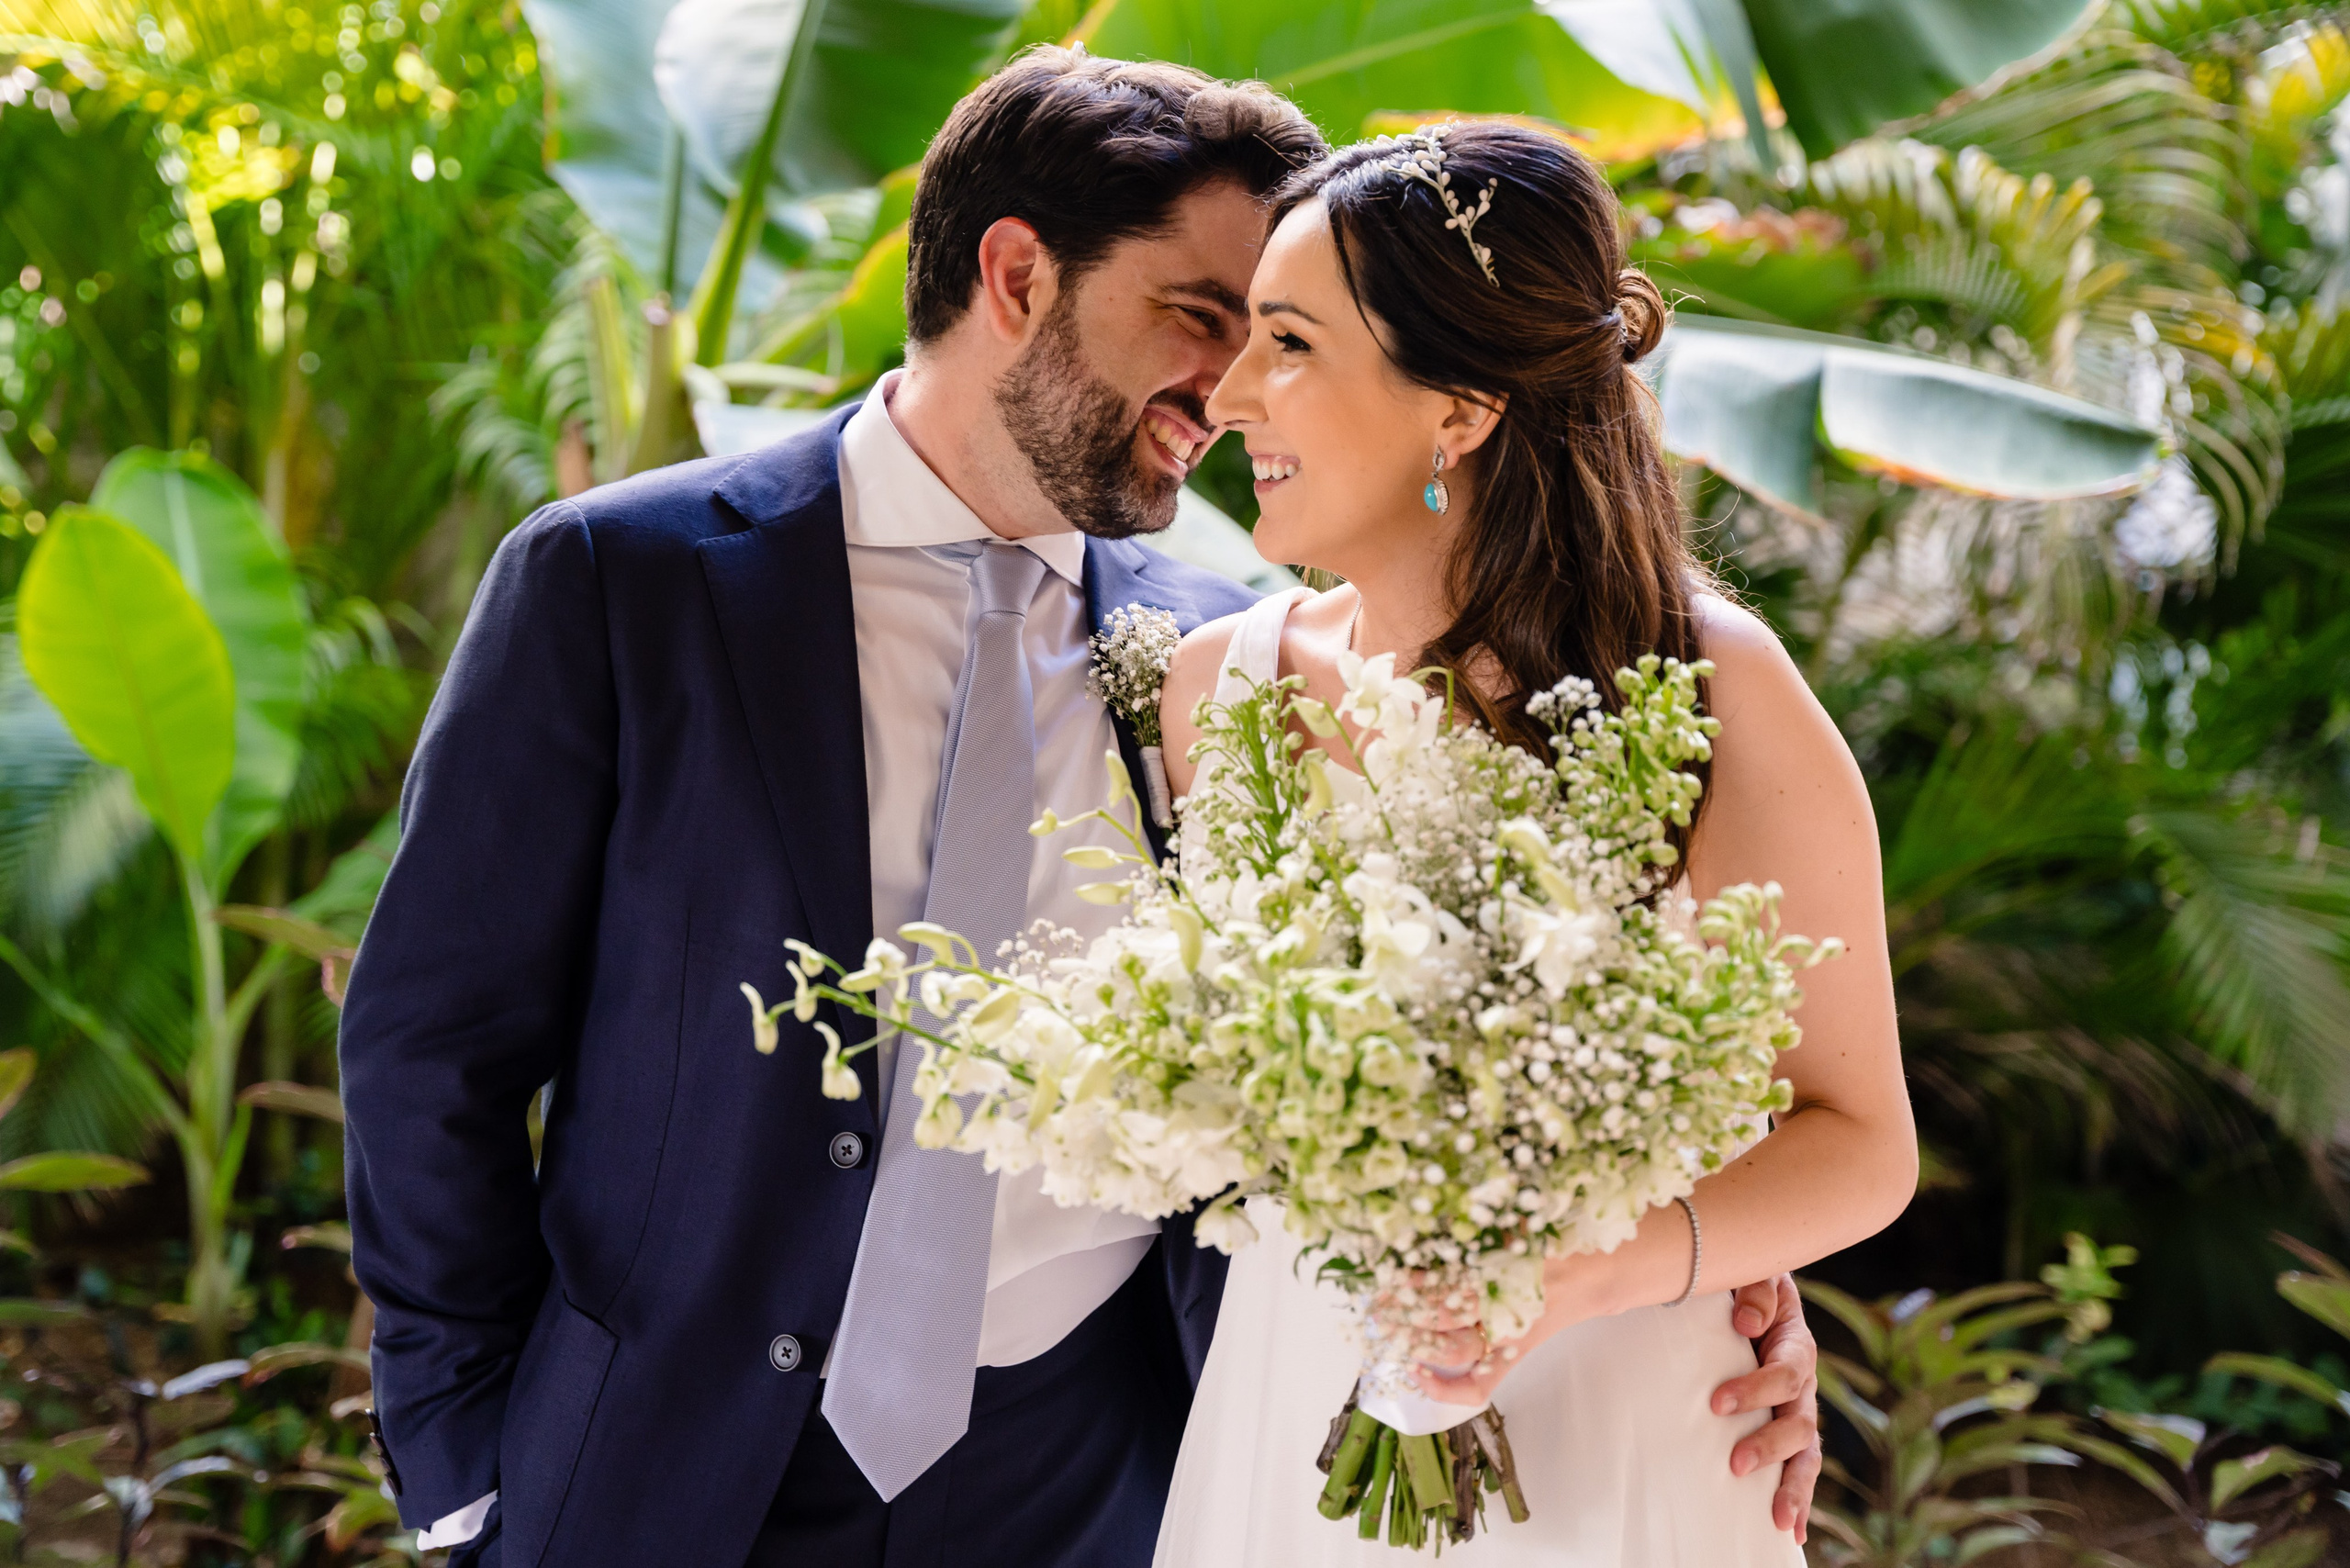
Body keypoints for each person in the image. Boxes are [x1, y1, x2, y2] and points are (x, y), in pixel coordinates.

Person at [339, 50, 1823, 1568]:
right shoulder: (620, 584)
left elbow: (1462, 1003)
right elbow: (429, 1048)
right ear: (1017, 275)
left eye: (1275, 337)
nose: (1235, 390)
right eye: (1201, 317)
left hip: (1100, 1482)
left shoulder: (1234, 650)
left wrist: (1704, 1303)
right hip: (665, 1467)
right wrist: (462, 1471)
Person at [1153, 123, 1916, 1565]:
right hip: (1287, 1406)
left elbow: (1862, 1144)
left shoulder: (1711, 695)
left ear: (1459, 407)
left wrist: (1576, 1277)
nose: (1232, 392)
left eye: (1292, 344)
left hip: (1618, 1421)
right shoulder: (1213, 693)